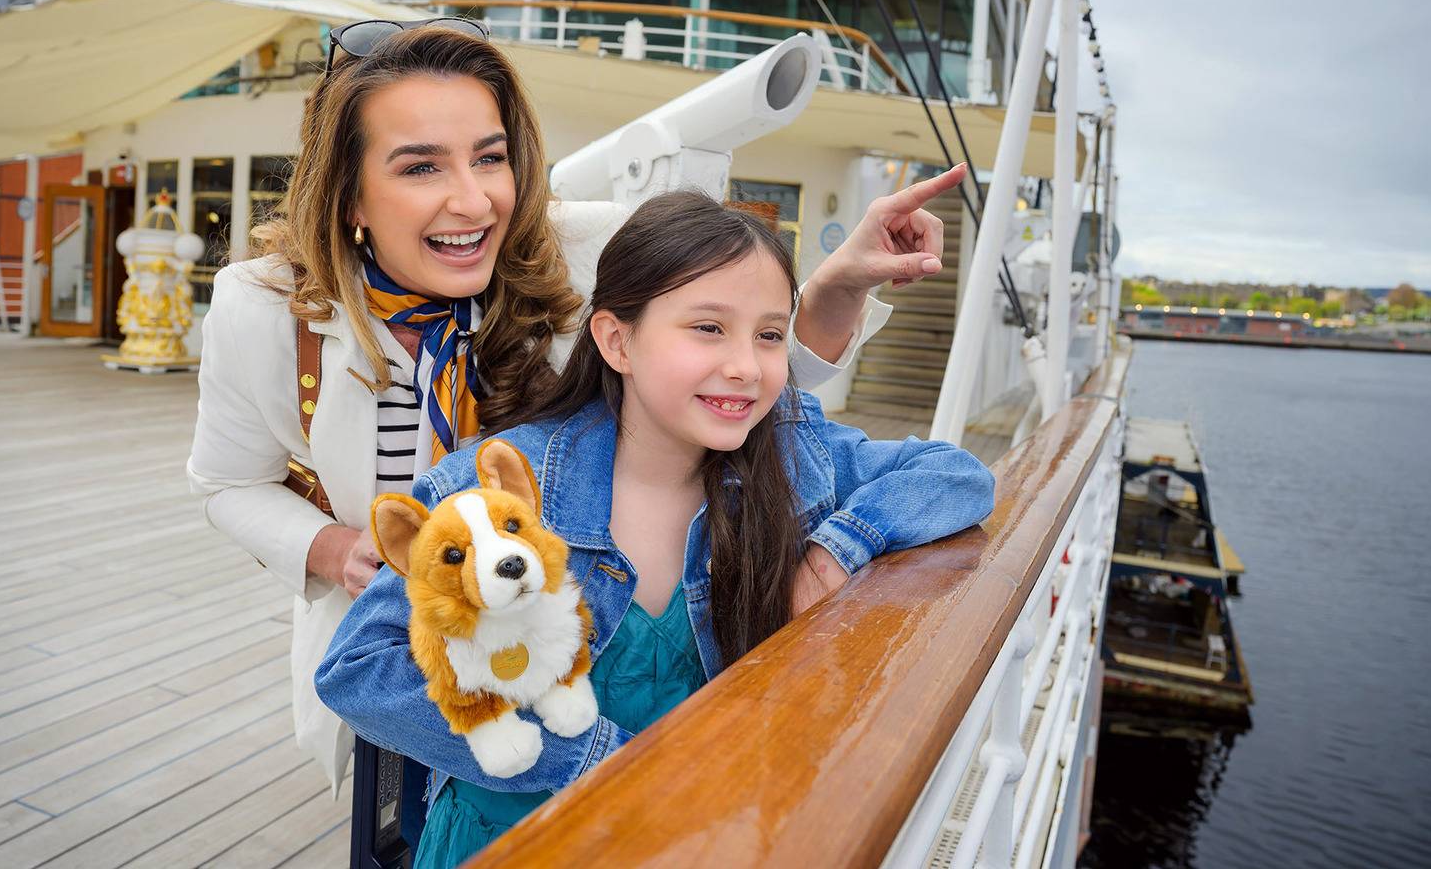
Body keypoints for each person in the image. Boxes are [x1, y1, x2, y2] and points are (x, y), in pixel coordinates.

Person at [185, 17, 973, 791]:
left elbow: (724, 370)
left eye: (489, 159)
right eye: (420, 168)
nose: (472, 202)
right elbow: (228, 482)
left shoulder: (583, 249)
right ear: (350, 195)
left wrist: (837, 285)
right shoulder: (263, 309)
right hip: (409, 628)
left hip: (570, 624)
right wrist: (334, 548)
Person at [315, 191, 995, 868]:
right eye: (707, 328)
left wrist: (832, 550)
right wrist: (596, 759)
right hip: (516, 844)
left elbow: (955, 476)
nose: (745, 366)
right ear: (617, 340)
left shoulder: (791, 458)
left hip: (702, 840)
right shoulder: (506, 488)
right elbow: (358, 669)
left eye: (767, 335)